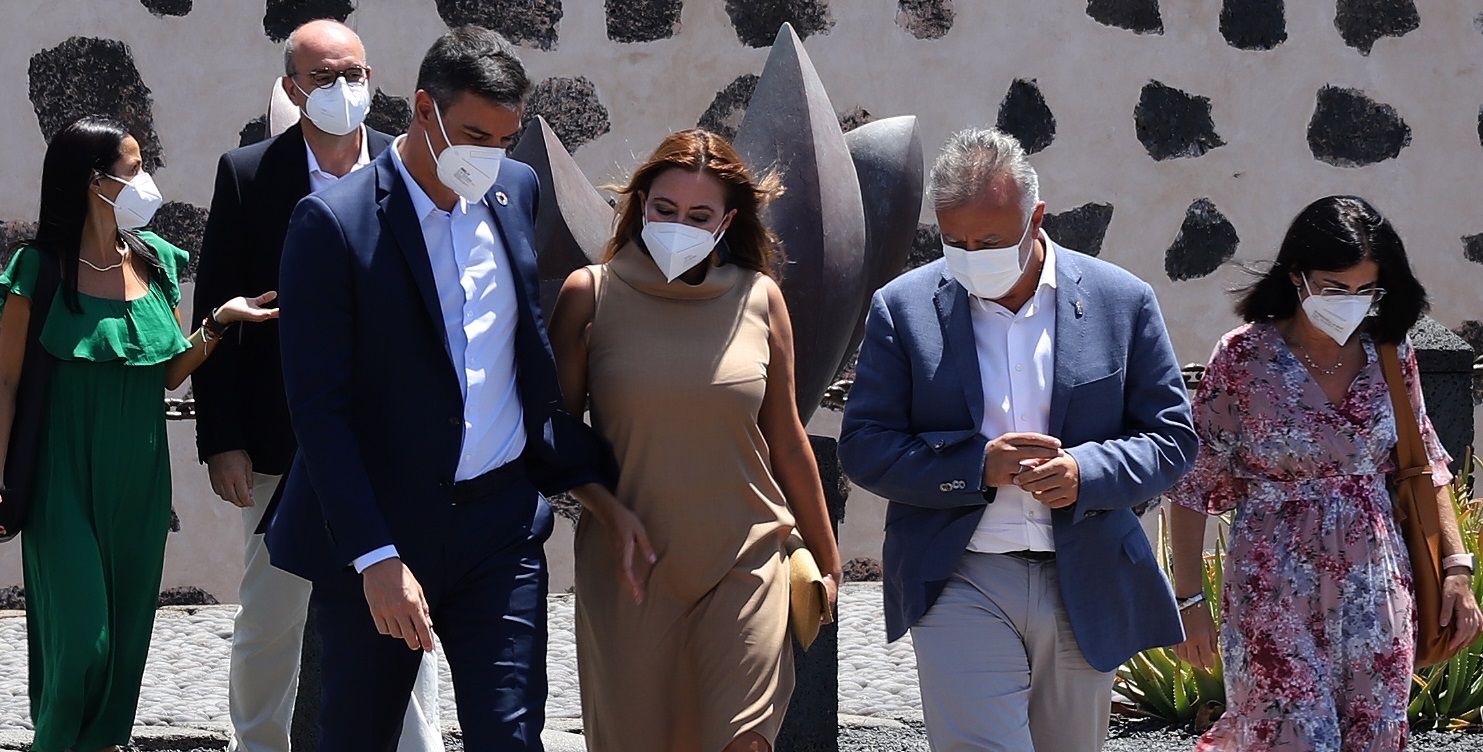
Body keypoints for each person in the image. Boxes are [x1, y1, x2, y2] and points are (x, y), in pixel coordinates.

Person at [264, 26, 616, 751]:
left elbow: (524, 348)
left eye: (505, 138)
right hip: (384, 532)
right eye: (473, 134)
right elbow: (318, 408)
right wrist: (374, 556)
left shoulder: (515, 190)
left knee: (511, 736)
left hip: (501, 527)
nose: (488, 155)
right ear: (424, 108)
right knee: (359, 737)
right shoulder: (333, 222)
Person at [837, 127, 1197, 751]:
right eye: (956, 242)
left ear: (1037, 217)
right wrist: (977, 468)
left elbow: (1171, 438)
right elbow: (865, 444)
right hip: (959, 574)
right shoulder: (903, 307)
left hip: (1084, 577)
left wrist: (1089, 472)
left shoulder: (1123, 300)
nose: (973, 255)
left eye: (991, 241)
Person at [190, 19, 441, 752]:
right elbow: (222, 311)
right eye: (325, 77)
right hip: (281, 442)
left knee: (405, 607)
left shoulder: (411, 167)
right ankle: (259, 745)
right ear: (292, 87)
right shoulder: (247, 174)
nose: (343, 89)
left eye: (354, 74)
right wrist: (222, 441)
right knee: (271, 618)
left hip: (393, 444)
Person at [548, 129, 843, 752]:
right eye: (665, 209)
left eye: (700, 215)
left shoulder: (760, 298)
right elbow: (556, 439)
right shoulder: (589, 295)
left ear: (727, 220)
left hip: (745, 558)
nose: (679, 224)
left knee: (744, 741)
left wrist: (828, 557)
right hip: (629, 567)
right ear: (641, 205)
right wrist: (609, 511)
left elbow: (787, 437)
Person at [0, 116, 277, 752]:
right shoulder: (35, 269)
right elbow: (8, 382)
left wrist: (218, 323)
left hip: (141, 477)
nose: (146, 179)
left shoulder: (155, 261)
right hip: (60, 474)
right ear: (94, 183)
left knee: (125, 649)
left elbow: (168, 371)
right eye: (132, 168)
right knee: (82, 641)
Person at [1169, 195, 1483, 751]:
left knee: (1374, 736)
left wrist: (1457, 568)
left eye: (1367, 290)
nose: (1352, 303)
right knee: (1288, 737)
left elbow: (1424, 464)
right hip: (1272, 590)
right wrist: (1189, 601)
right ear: (1297, 277)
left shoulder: (1390, 351)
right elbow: (1194, 483)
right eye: (1336, 288)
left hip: (1376, 589)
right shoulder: (1244, 357)